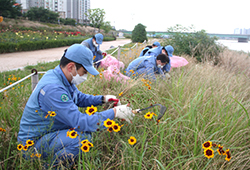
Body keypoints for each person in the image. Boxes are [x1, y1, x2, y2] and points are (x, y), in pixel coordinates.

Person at [17, 44, 134, 167]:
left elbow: (78, 97)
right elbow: (79, 122)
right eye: (84, 72)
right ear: (71, 67)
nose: (85, 77)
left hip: (50, 133)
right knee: (82, 139)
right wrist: (114, 113)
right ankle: (51, 167)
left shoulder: (61, 77)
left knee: (85, 134)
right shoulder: (53, 89)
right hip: (32, 146)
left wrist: (102, 99)